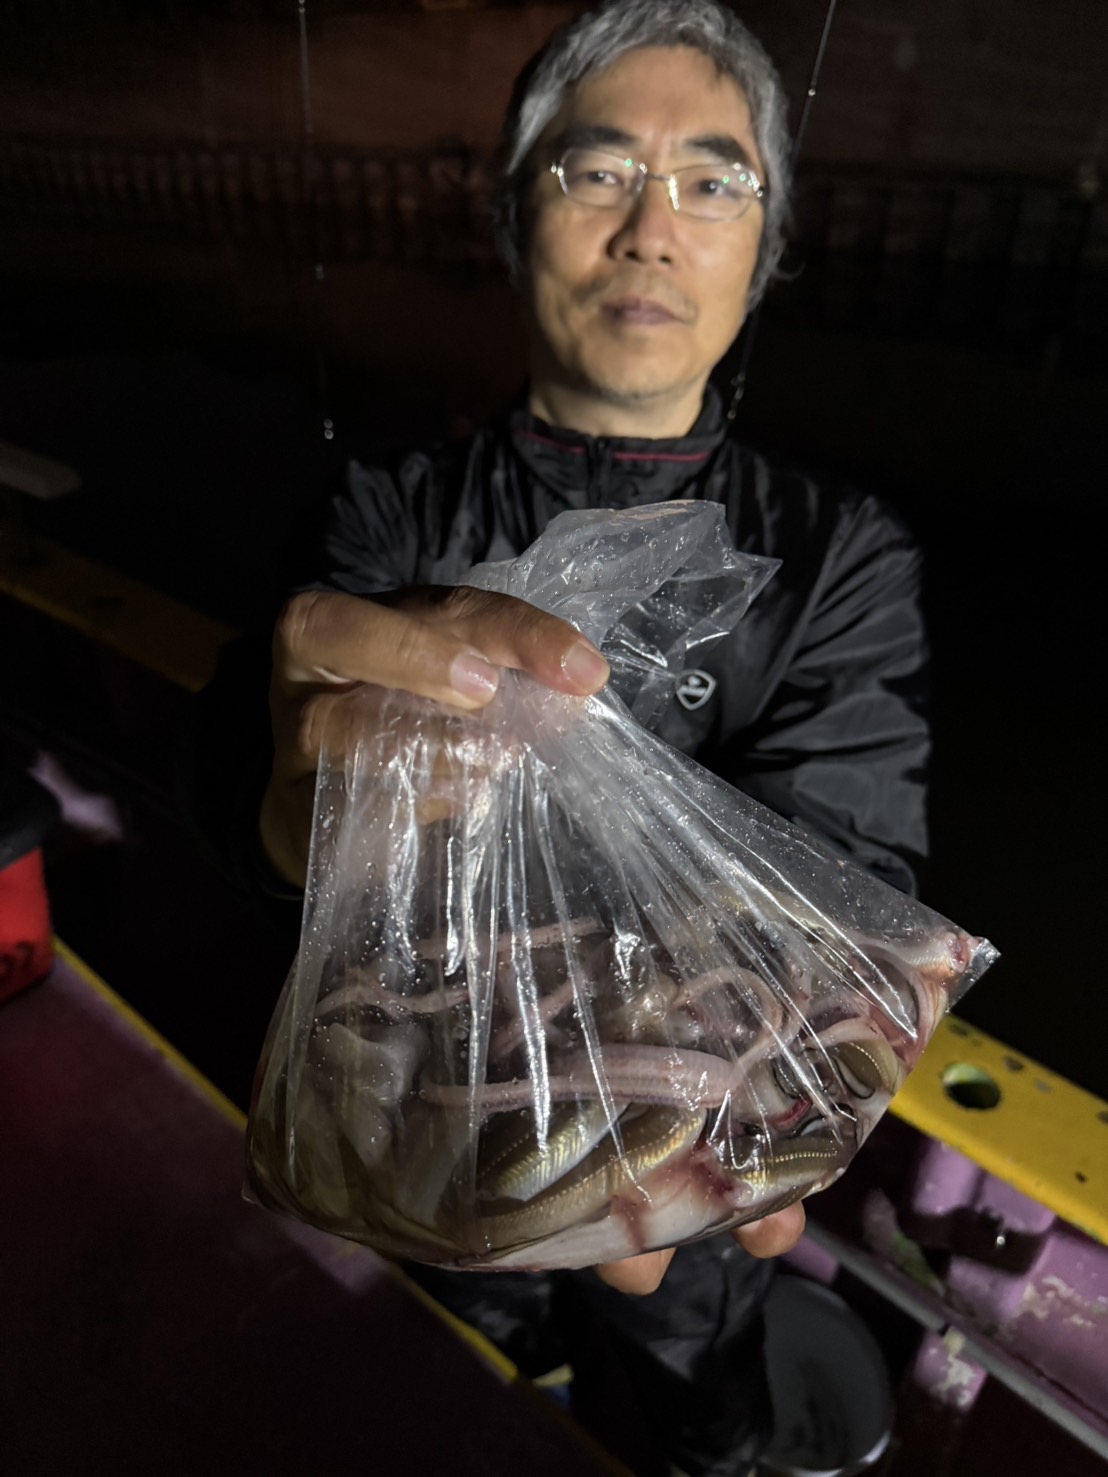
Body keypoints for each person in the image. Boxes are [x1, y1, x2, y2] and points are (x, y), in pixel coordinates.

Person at [196, 2, 929, 1472]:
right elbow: (265, 839)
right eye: (597, 172)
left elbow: (852, 891)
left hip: (701, 1205)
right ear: (510, 215)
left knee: (694, 1414)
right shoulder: (386, 519)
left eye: (713, 181)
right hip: (433, 1170)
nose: (653, 230)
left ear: (766, 247)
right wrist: (292, 813)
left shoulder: (840, 552)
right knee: (458, 1404)